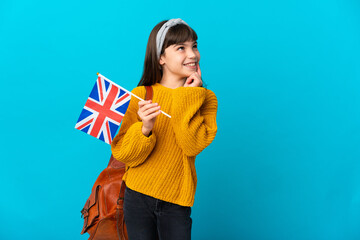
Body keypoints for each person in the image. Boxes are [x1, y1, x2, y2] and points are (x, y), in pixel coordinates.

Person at [111, 18, 218, 240]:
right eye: (181, 48)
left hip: (177, 199)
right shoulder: (140, 95)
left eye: (194, 46)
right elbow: (122, 154)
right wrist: (145, 129)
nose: (192, 54)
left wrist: (188, 96)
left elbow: (191, 145)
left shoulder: (204, 99)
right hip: (137, 195)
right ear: (161, 57)